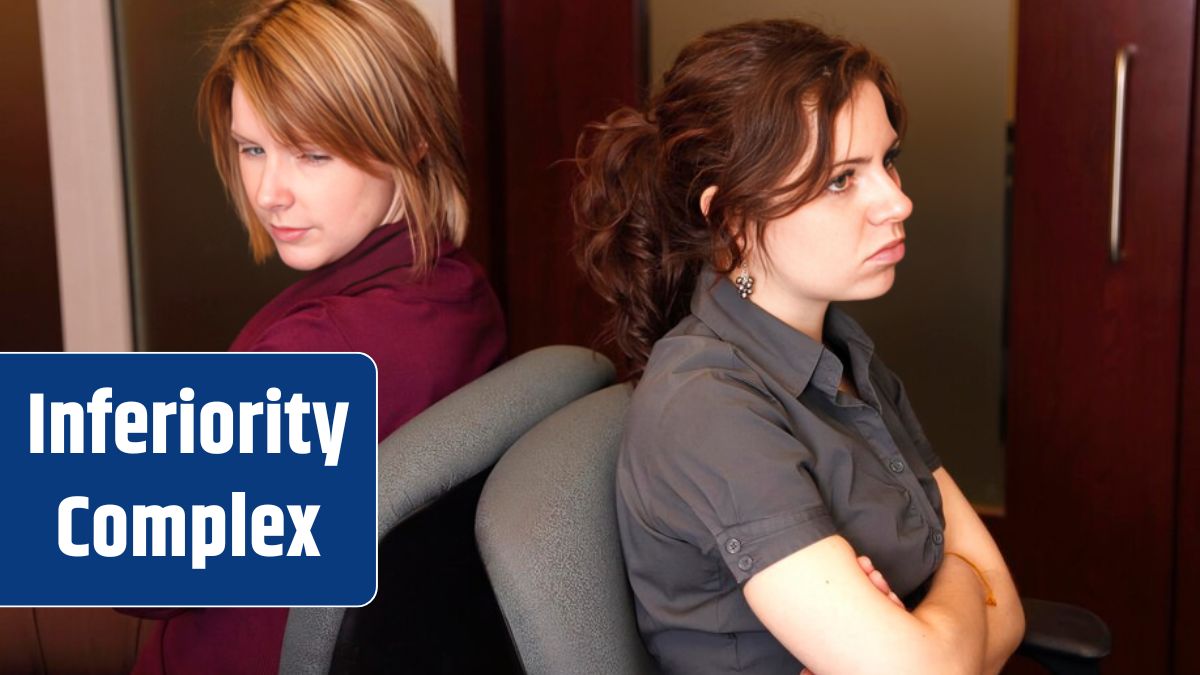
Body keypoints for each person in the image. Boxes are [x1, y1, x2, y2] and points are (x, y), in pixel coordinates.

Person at [574, 19, 1024, 675]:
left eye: (887, 160)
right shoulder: (708, 407)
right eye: (842, 179)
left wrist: (927, 621)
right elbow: (947, 643)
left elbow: (1006, 608)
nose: (897, 201)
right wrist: (961, 582)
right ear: (729, 218)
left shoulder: (839, 351)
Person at [123, 1, 506, 672]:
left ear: (413, 137)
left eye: (312, 153)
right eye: (252, 148)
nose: (269, 191)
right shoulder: (457, 289)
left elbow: (138, 574)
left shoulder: (317, 353)